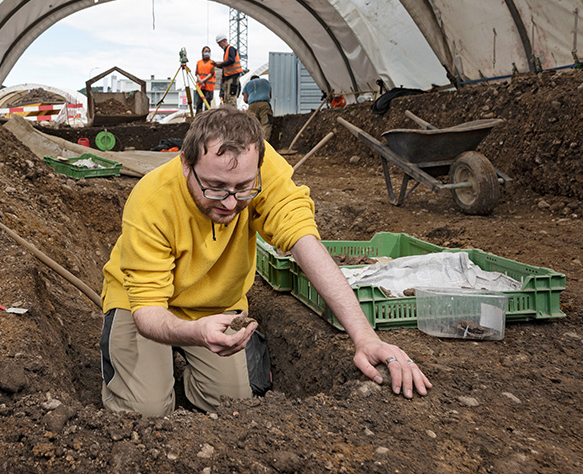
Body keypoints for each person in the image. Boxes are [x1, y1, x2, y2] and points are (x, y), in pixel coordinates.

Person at [99, 107, 431, 417]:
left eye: (243, 188)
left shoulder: (258, 163)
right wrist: (193, 333)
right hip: (144, 305)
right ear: (186, 164)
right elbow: (148, 311)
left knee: (233, 406)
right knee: (146, 411)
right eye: (215, 188)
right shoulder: (151, 202)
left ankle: (186, 366)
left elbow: (303, 241)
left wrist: (365, 337)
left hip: (214, 304)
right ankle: (144, 370)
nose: (230, 203)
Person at [213, 34, 243, 107]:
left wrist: (221, 64)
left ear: (224, 41)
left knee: (231, 98)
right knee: (227, 99)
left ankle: (233, 116)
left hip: (233, 78)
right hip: (228, 78)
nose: (219, 46)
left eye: (219, 43)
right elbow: (227, 65)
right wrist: (219, 65)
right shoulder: (226, 51)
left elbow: (231, 60)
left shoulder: (230, 49)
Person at [242, 75, 273, 143]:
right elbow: (270, 95)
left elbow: (245, 99)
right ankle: (264, 143)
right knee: (266, 123)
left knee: (253, 124)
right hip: (264, 103)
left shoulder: (247, 84)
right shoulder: (266, 82)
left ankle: (254, 143)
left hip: (252, 105)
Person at [193, 46, 216, 113]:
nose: (207, 53)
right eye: (206, 51)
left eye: (208, 51)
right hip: (200, 87)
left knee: (207, 105)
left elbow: (211, 74)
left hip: (208, 87)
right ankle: (198, 119)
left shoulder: (212, 63)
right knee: (198, 104)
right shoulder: (198, 63)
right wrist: (200, 81)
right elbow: (196, 73)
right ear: (202, 52)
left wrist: (203, 81)